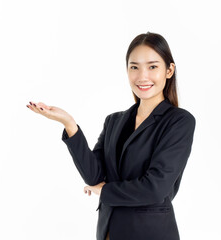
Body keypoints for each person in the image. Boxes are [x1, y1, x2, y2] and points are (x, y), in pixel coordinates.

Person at [26, 32, 196, 240]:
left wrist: (105, 191)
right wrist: (70, 124)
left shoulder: (179, 121)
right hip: (108, 232)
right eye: (134, 67)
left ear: (169, 70)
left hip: (151, 233)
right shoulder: (114, 121)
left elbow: (155, 188)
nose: (142, 76)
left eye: (152, 67)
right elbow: (94, 176)